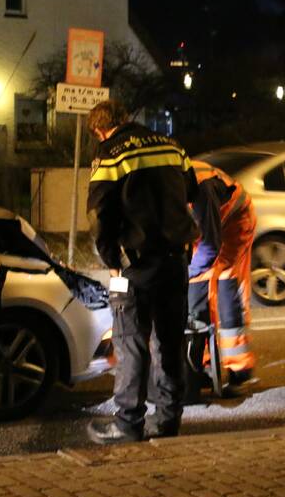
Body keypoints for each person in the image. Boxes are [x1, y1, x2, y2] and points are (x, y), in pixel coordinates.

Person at [85, 100, 199, 443]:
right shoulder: (171, 146)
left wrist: (111, 258)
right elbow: (191, 190)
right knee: (169, 340)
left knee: (131, 341)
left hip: (134, 264)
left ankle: (128, 422)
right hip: (175, 260)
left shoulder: (111, 154)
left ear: (100, 130)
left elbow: (98, 213)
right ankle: (167, 420)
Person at [186, 160, 257, 398]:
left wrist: (184, 274)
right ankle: (202, 365)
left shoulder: (202, 190)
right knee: (195, 295)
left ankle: (240, 370)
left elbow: (209, 248)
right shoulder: (167, 185)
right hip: (207, 228)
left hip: (235, 222)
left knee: (227, 288)